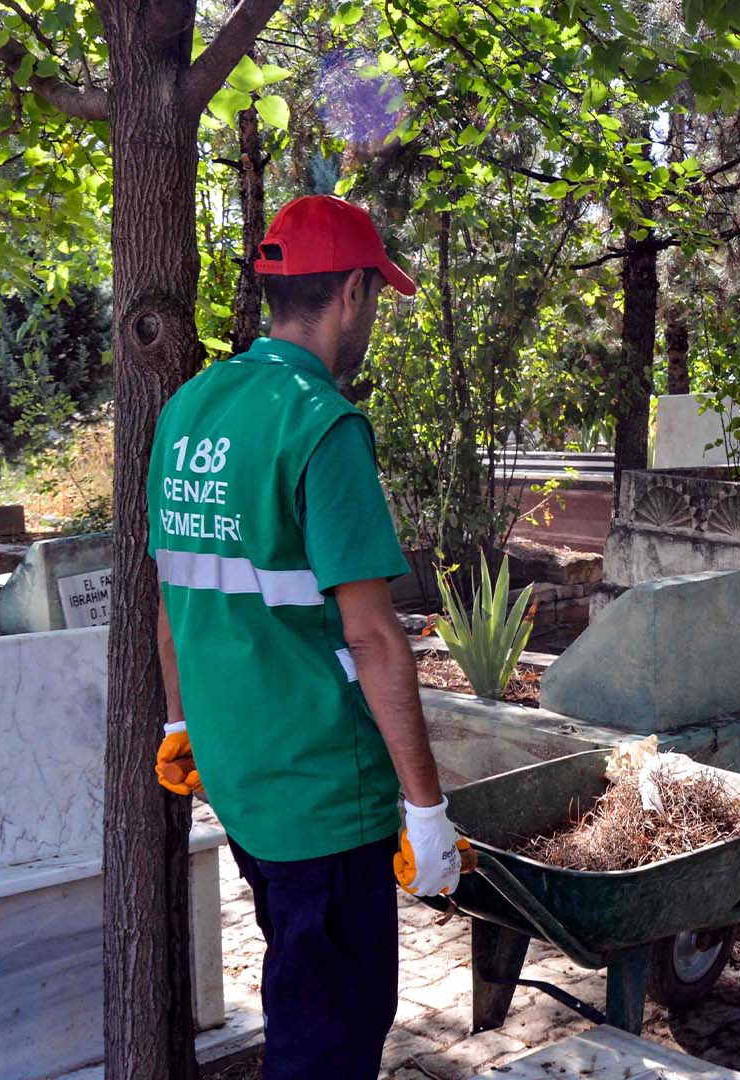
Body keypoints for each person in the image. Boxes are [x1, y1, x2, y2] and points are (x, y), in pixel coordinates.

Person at [147, 195, 461, 1080]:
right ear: (354, 292)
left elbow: (174, 593)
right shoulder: (322, 423)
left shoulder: (189, 411)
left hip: (241, 781)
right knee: (329, 1039)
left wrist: (180, 725)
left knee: (301, 997)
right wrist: (427, 812)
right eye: (377, 300)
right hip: (325, 800)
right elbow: (375, 640)